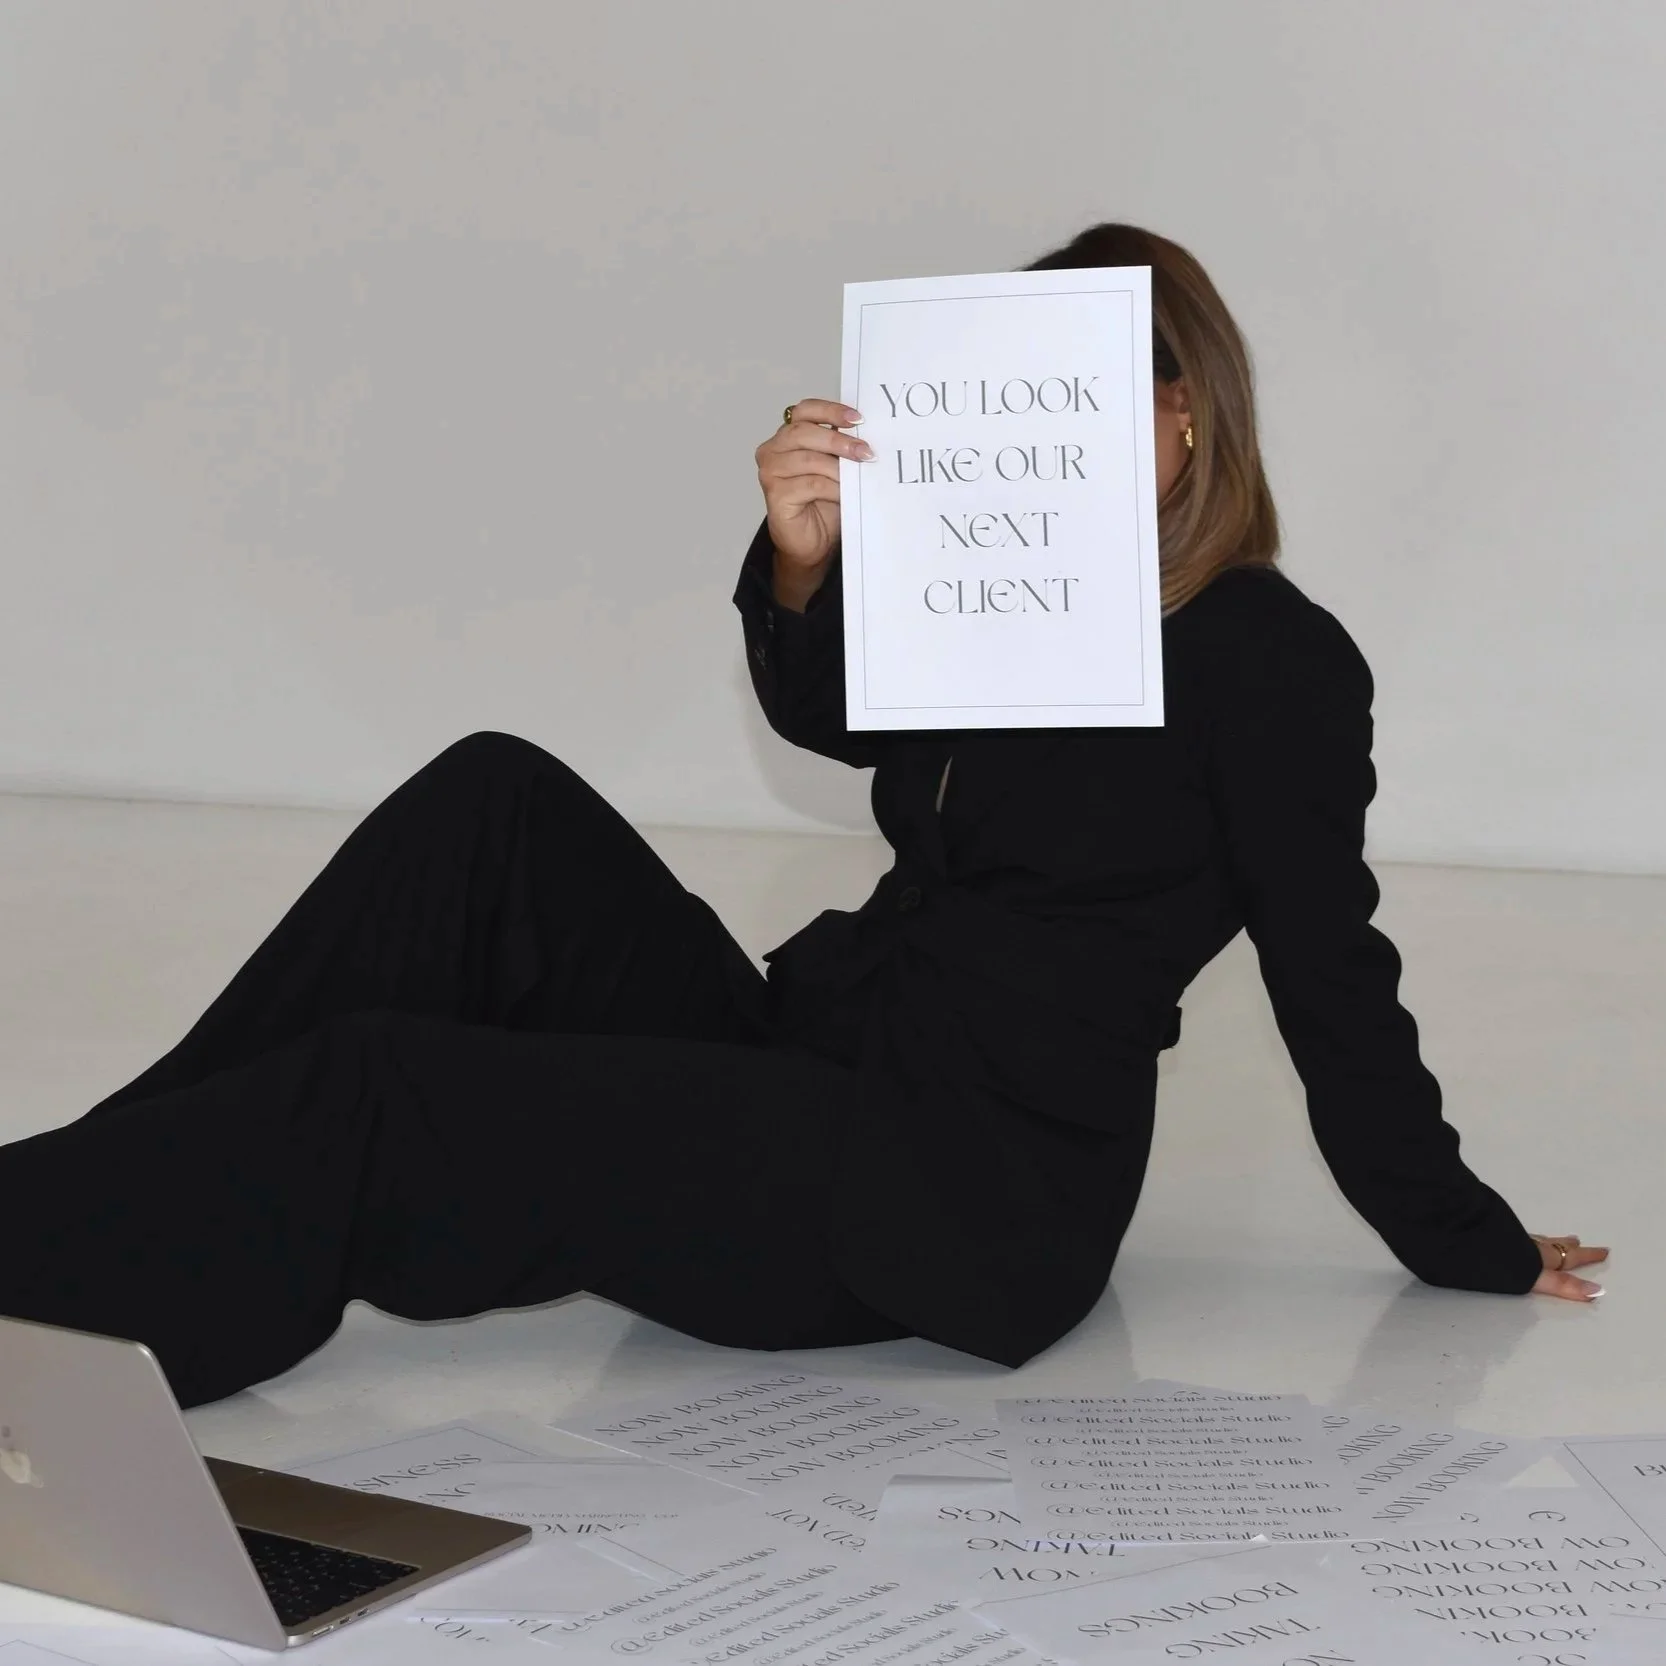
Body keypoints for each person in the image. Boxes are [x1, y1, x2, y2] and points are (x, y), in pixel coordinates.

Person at [0, 224, 1604, 1411]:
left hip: (949, 1197)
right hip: (819, 1053)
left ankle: (55, 1312)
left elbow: (1331, 970)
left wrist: (1460, 1235)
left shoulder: (1270, 660)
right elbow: (835, 719)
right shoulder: (1003, 586)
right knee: (492, 798)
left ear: (1187, 413)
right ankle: (76, 1194)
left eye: (1088, 395)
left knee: (391, 1088)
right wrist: (803, 557)